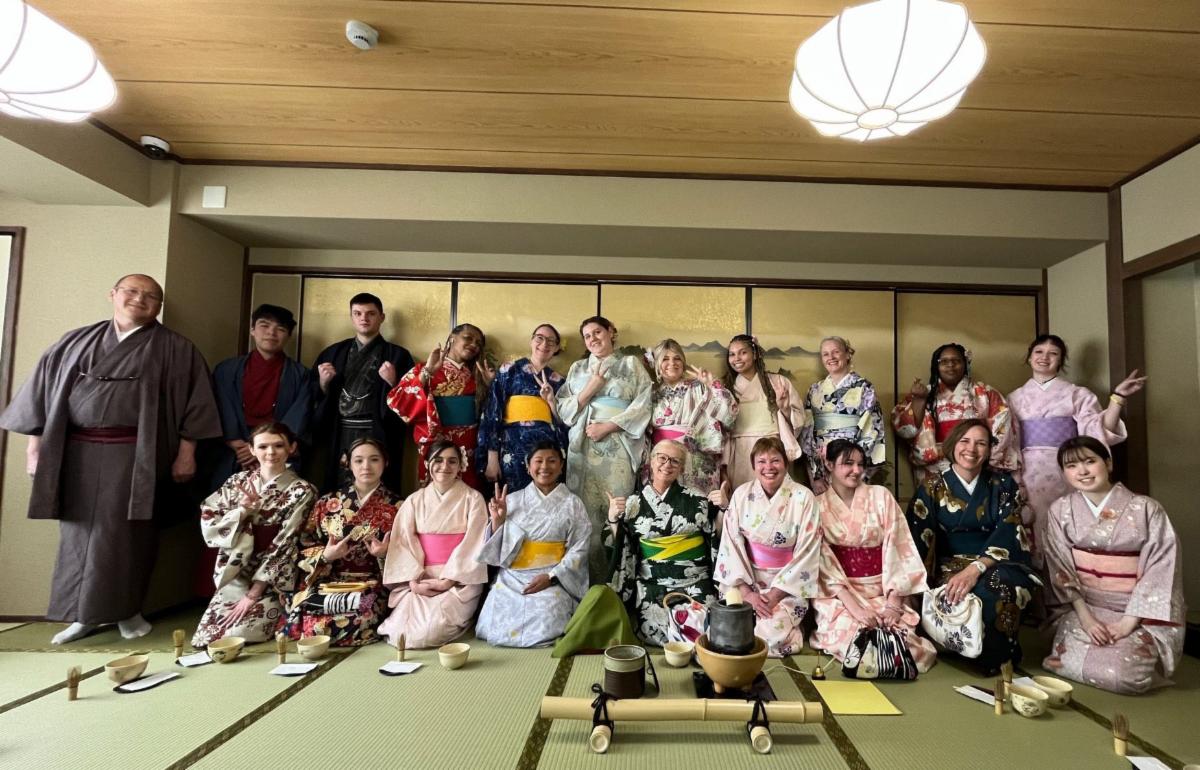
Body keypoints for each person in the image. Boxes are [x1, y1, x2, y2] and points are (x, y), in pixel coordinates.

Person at [0, 274, 221, 645]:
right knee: (76, 532)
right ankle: (81, 615)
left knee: (130, 534)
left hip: (138, 455)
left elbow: (195, 404)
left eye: (151, 296)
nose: (141, 299)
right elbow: (42, 396)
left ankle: (127, 611)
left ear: (159, 307)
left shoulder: (175, 348)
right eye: (132, 292)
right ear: (113, 295)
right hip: (76, 453)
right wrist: (34, 448)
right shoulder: (74, 342)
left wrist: (187, 453)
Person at [1041, 437, 1184, 694]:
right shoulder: (1060, 510)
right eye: (1072, 466)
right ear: (1064, 473)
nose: (1082, 471)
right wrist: (1086, 620)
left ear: (1108, 463)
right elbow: (1059, 565)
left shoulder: (1147, 509)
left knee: (1125, 679)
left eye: (1090, 462)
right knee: (1062, 662)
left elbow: (1161, 569)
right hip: (1084, 606)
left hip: (1136, 612)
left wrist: (1127, 624)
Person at [906, 419, 1041, 675]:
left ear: (990, 449)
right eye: (965, 441)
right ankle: (973, 651)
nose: (972, 449)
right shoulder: (932, 486)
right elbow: (917, 536)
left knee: (999, 584)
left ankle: (996, 657)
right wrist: (916, 586)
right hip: (950, 564)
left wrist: (977, 567)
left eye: (981, 443)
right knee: (959, 591)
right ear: (953, 444)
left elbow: (1010, 531)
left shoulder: (1003, 485)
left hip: (997, 561)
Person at [810, 439, 936, 672]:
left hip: (882, 590)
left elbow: (899, 548)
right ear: (828, 465)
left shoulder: (881, 497)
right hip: (840, 595)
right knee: (854, 639)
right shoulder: (816, 506)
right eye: (848, 463)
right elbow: (822, 562)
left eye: (861, 464)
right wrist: (856, 609)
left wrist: (893, 604)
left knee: (899, 639)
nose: (856, 470)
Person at [1007, 334, 1145, 544]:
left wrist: (1117, 398)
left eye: (1053, 353)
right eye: (1039, 352)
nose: (1045, 357)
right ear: (1029, 357)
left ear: (1061, 361)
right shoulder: (1013, 398)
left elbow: (1096, 431)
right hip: (1027, 472)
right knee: (1029, 526)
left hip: (1066, 469)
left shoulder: (1077, 394)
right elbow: (1008, 439)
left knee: (1067, 524)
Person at [192, 423, 316, 647]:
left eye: (279, 445)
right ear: (251, 449)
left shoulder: (302, 490)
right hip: (238, 571)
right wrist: (241, 512)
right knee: (207, 637)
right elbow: (210, 518)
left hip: (274, 578)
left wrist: (254, 593)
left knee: (239, 633)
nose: (271, 453)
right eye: (263, 446)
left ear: (292, 447)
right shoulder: (236, 483)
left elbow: (286, 541)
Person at [556, 316, 653, 583]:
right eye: (587, 336)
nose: (593, 339)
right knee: (584, 514)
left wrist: (610, 426)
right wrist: (590, 390)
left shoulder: (631, 364)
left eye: (597, 332)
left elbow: (644, 403)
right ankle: (583, 584)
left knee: (616, 507)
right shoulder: (578, 368)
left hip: (617, 445)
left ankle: (616, 582)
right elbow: (563, 409)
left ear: (611, 332)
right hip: (583, 448)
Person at [281, 438, 400, 646]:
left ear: (385, 463)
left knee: (358, 618)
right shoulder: (328, 503)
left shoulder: (399, 506)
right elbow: (305, 543)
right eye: (359, 460)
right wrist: (326, 555)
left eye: (374, 460)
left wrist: (385, 554)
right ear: (348, 463)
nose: (366, 467)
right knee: (313, 620)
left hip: (372, 582)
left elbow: (411, 551)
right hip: (329, 581)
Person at [607, 439, 726, 646]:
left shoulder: (698, 500)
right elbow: (623, 544)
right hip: (653, 584)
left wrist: (723, 509)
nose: (667, 464)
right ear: (651, 462)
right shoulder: (633, 503)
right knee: (656, 629)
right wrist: (613, 520)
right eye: (661, 458)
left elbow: (715, 536)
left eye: (675, 461)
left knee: (704, 627)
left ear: (681, 468)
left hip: (695, 582)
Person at [475, 442, 591, 647]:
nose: (545, 467)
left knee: (548, 614)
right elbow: (495, 553)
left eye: (552, 461)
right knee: (498, 616)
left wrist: (551, 576)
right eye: (538, 461)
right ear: (528, 467)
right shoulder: (511, 500)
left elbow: (579, 548)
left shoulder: (573, 504)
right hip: (513, 576)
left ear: (561, 466)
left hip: (552, 576)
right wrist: (497, 521)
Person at [715, 436, 822, 658]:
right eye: (761, 461)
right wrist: (747, 593)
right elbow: (730, 544)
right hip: (746, 580)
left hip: (785, 587)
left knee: (765, 637)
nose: (768, 467)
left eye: (775, 461)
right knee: (726, 629)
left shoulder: (804, 498)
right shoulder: (742, 495)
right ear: (753, 466)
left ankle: (792, 630)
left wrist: (774, 596)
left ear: (786, 463)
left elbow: (807, 552)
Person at [379, 439, 489, 649]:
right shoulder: (414, 500)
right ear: (428, 464)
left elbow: (474, 543)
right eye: (438, 460)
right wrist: (413, 581)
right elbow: (403, 542)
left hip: (458, 580)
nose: (445, 467)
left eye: (452, 461)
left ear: (460, 466)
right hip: (421, 577)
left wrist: (448, 581)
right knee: (399, 631)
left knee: (430, 630)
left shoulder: (473, 499)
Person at [310, 293, 413, 492]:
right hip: (341, 431)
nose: (364, 318)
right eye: (357, 313)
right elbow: (313, 395)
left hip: (379, 430)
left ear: (381, 317)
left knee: (380, 483)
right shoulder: (334, 352)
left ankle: (379, 522)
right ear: (351, 317)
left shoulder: (398, 355)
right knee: (340, 482)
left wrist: (393, 382)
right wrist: (323, 383)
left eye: (370, 313)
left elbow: (411, 400)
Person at [210, 304, 312, 487]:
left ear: (288, 336)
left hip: (278, 451)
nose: (271, 333)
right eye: (264, 325)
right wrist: (238, 445)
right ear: (252, 330)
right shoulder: (226, 370)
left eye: (280, 329)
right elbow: (219, 408)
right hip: (234, 451)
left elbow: (300, 414)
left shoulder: (300, 375)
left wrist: (265, 448)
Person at [892, 343, 1018, 487]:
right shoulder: (923, 393)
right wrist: (919, 400)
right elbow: (905, 431)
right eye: (944, 361)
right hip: (934, 469)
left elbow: (1002, 428)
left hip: (975, 463)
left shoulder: (985, 393)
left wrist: (988, 461)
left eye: (956, 361)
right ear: (936, 366)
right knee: (935, 507)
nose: (950, 365)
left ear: (965, 364)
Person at [389, 323, 495, 490]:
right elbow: (398, 401)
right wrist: (428, 372)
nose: (474, 345)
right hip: (436, 441)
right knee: (435, 492)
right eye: (468, 338)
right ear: (452, 338)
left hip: (469, 443)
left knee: (468, 492)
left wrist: (490, 386)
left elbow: (491, 415)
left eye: (478, 343)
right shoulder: (425, 368)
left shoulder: (478, 375)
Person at [477, 324, 569, 492]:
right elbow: (493, 411)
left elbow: (564, 420)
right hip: (511, 445)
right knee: (512, 501)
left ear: (556, 348)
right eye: (539, 338)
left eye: (551, 341)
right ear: (531, 341)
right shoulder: (509, 370)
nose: (544, 344)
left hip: (547, 450)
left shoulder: (559, 381)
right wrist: (492, 457)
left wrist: (551, 403)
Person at [641, 338, 736, 496]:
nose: (672, 363)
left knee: (695, 504)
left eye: (677, 358)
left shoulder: (698, 386)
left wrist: (711, 385)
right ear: (656, 363)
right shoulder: (651, 393)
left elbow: (729, 415)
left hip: (694, 455)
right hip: (661, 458)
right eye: (665, 358)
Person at [800, 336, 886, 494]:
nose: (830, 357)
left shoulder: (863, 388)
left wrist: (854, 465)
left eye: (835, 352)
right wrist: (815, 474)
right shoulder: (814, 390)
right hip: (822, 463)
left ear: (848, 354)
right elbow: (807, 433)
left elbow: (872, 429)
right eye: (825, 354)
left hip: (853, 464)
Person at [721, 335, 803, 492]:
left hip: (771, 447)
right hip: (740, 452)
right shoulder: (726, 387)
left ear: (755, 354)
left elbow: (798, 421)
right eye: (732, 354)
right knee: (744, 495)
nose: (736, 358)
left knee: (776, 494)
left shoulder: (777, 382)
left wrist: (784, 407)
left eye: (743, 352)